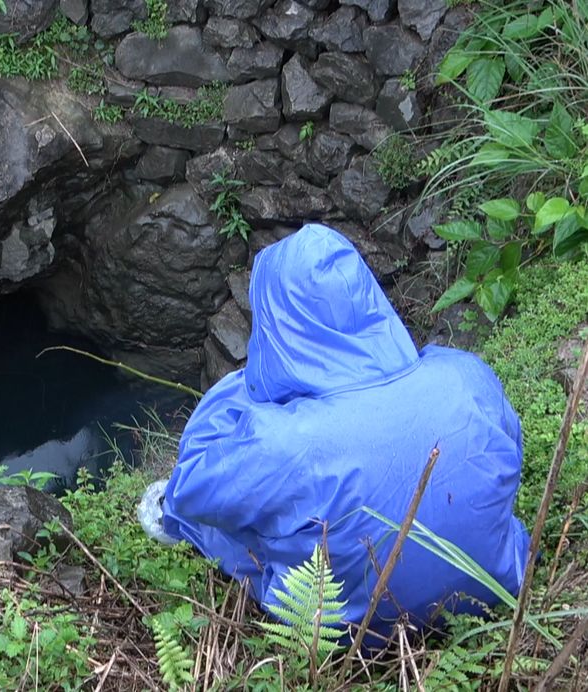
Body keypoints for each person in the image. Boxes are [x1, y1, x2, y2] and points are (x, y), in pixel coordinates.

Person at [144, 223, 530, 634]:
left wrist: (252, 383)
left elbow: (190, 486)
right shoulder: (467, 377)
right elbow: (510, 453)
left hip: (352, 629)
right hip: (495, 582)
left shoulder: (282, 441)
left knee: (203, 519)